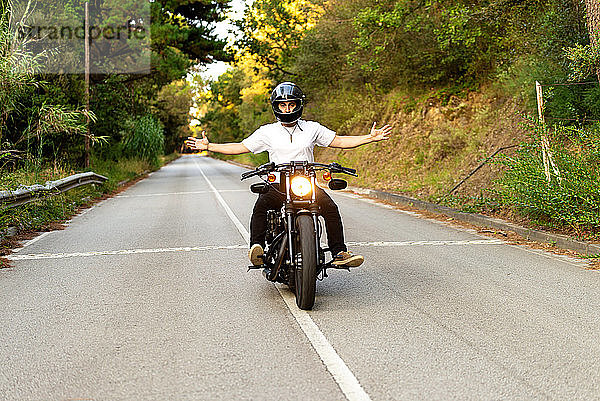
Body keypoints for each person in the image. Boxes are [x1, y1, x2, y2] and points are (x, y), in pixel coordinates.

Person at [186, 82, 392, 268]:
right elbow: (240, 147)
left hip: (306, 180)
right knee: (260, 207)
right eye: (283, 105)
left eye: (291, 105)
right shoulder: (267, 132)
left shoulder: (312, 128)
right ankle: (256, 247)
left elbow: (339, 141)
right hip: (279, 182)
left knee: (330, 208)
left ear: (298, 105)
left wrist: (370, 138)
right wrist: (209, 146)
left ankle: (339, 252)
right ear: (276, 107)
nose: (287, 109)